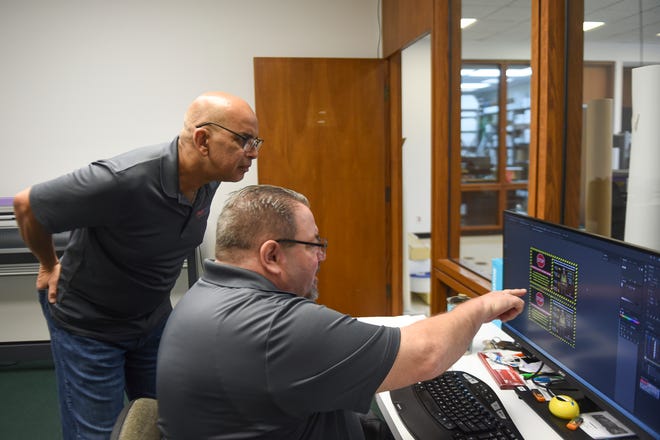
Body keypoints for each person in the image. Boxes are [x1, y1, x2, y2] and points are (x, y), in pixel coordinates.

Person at [156, 184, 526, 440]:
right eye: (313, 244)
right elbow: (427, 354)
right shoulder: (272, 328)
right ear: (272, 255)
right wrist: (482, 306)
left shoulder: (204, 294)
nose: (322, 256)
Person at [12, 91, 262, 439]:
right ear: (203, 139)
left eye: (256, 141)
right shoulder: (121, 179)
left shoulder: (211, 177)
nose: (252, 152)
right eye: (243, 140)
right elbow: (27, 205)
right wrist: (48, 264)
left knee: (170, 420)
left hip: (151, 321)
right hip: (91, 328)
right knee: (99, 434)